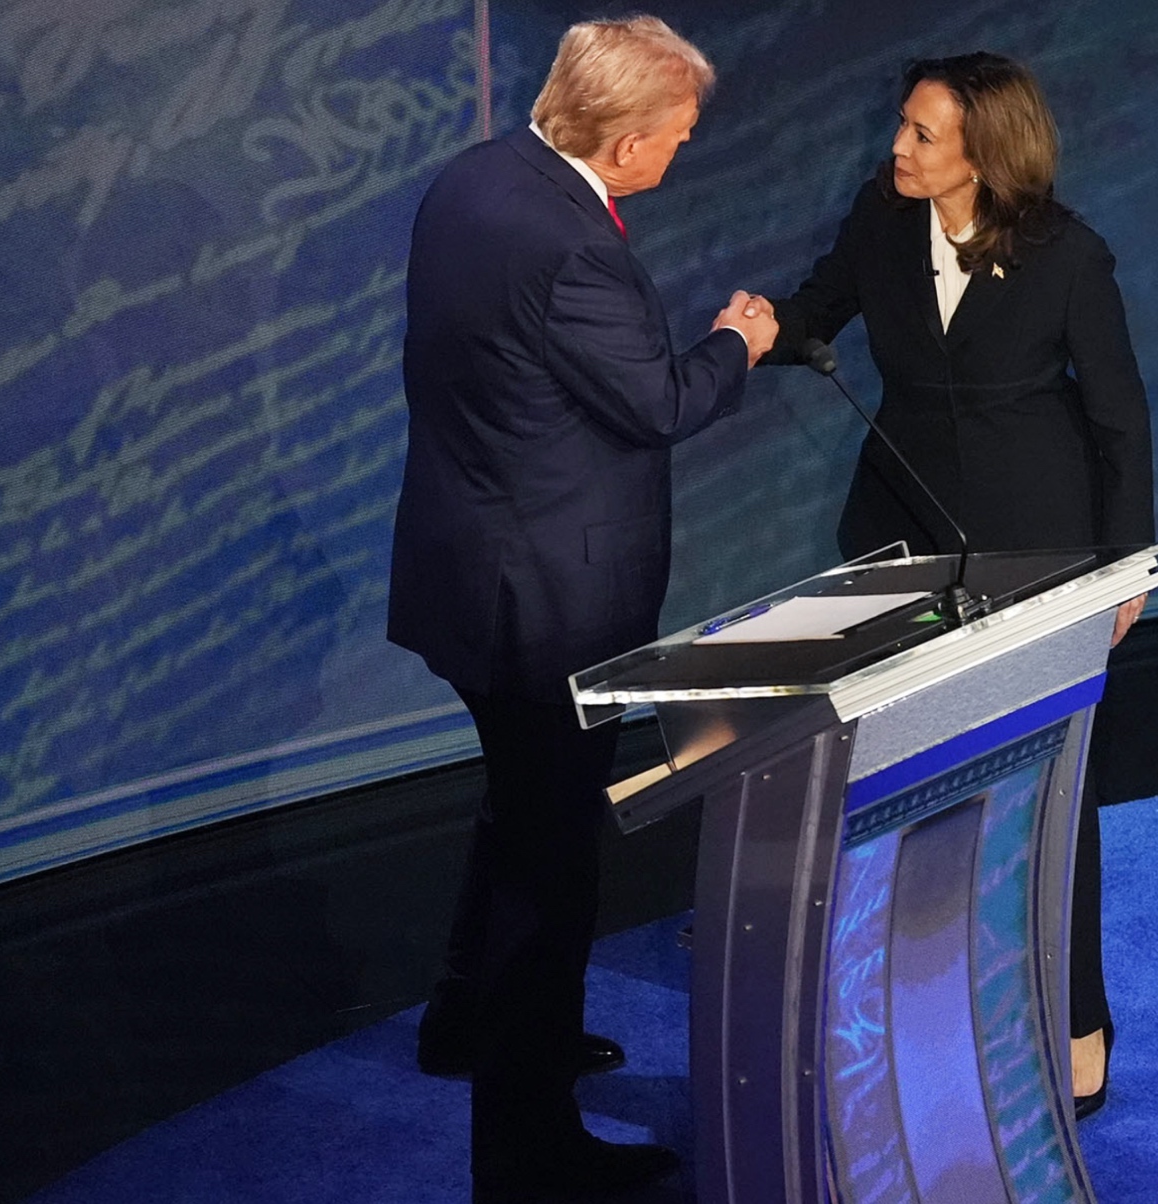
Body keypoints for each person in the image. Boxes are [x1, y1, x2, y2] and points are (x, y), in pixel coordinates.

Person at [386, 16, 776, 1200]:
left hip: (473, 573)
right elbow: (655, 401)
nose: (680, 151)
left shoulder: (475, 178)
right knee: (550, 868)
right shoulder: (572, 250)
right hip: (547, 601)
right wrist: (736, 342)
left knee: (518, 813)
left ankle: (472, 1025)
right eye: (674, 136)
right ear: (618, 145)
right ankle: (529, 1150)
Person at [764, 51, 1153, 1120]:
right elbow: (819, 312)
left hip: (1040, 552)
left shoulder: (1069, 257)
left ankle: (1078, 1024)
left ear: (981, 152)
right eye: (902, 125)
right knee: (907, 786)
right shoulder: (881, 219)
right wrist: (756, 335)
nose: (898, 147)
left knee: (1050, 796)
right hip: (901, 543)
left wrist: (1126, 568)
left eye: (922, 134)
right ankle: (912, 1018)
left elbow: (1119, 420)